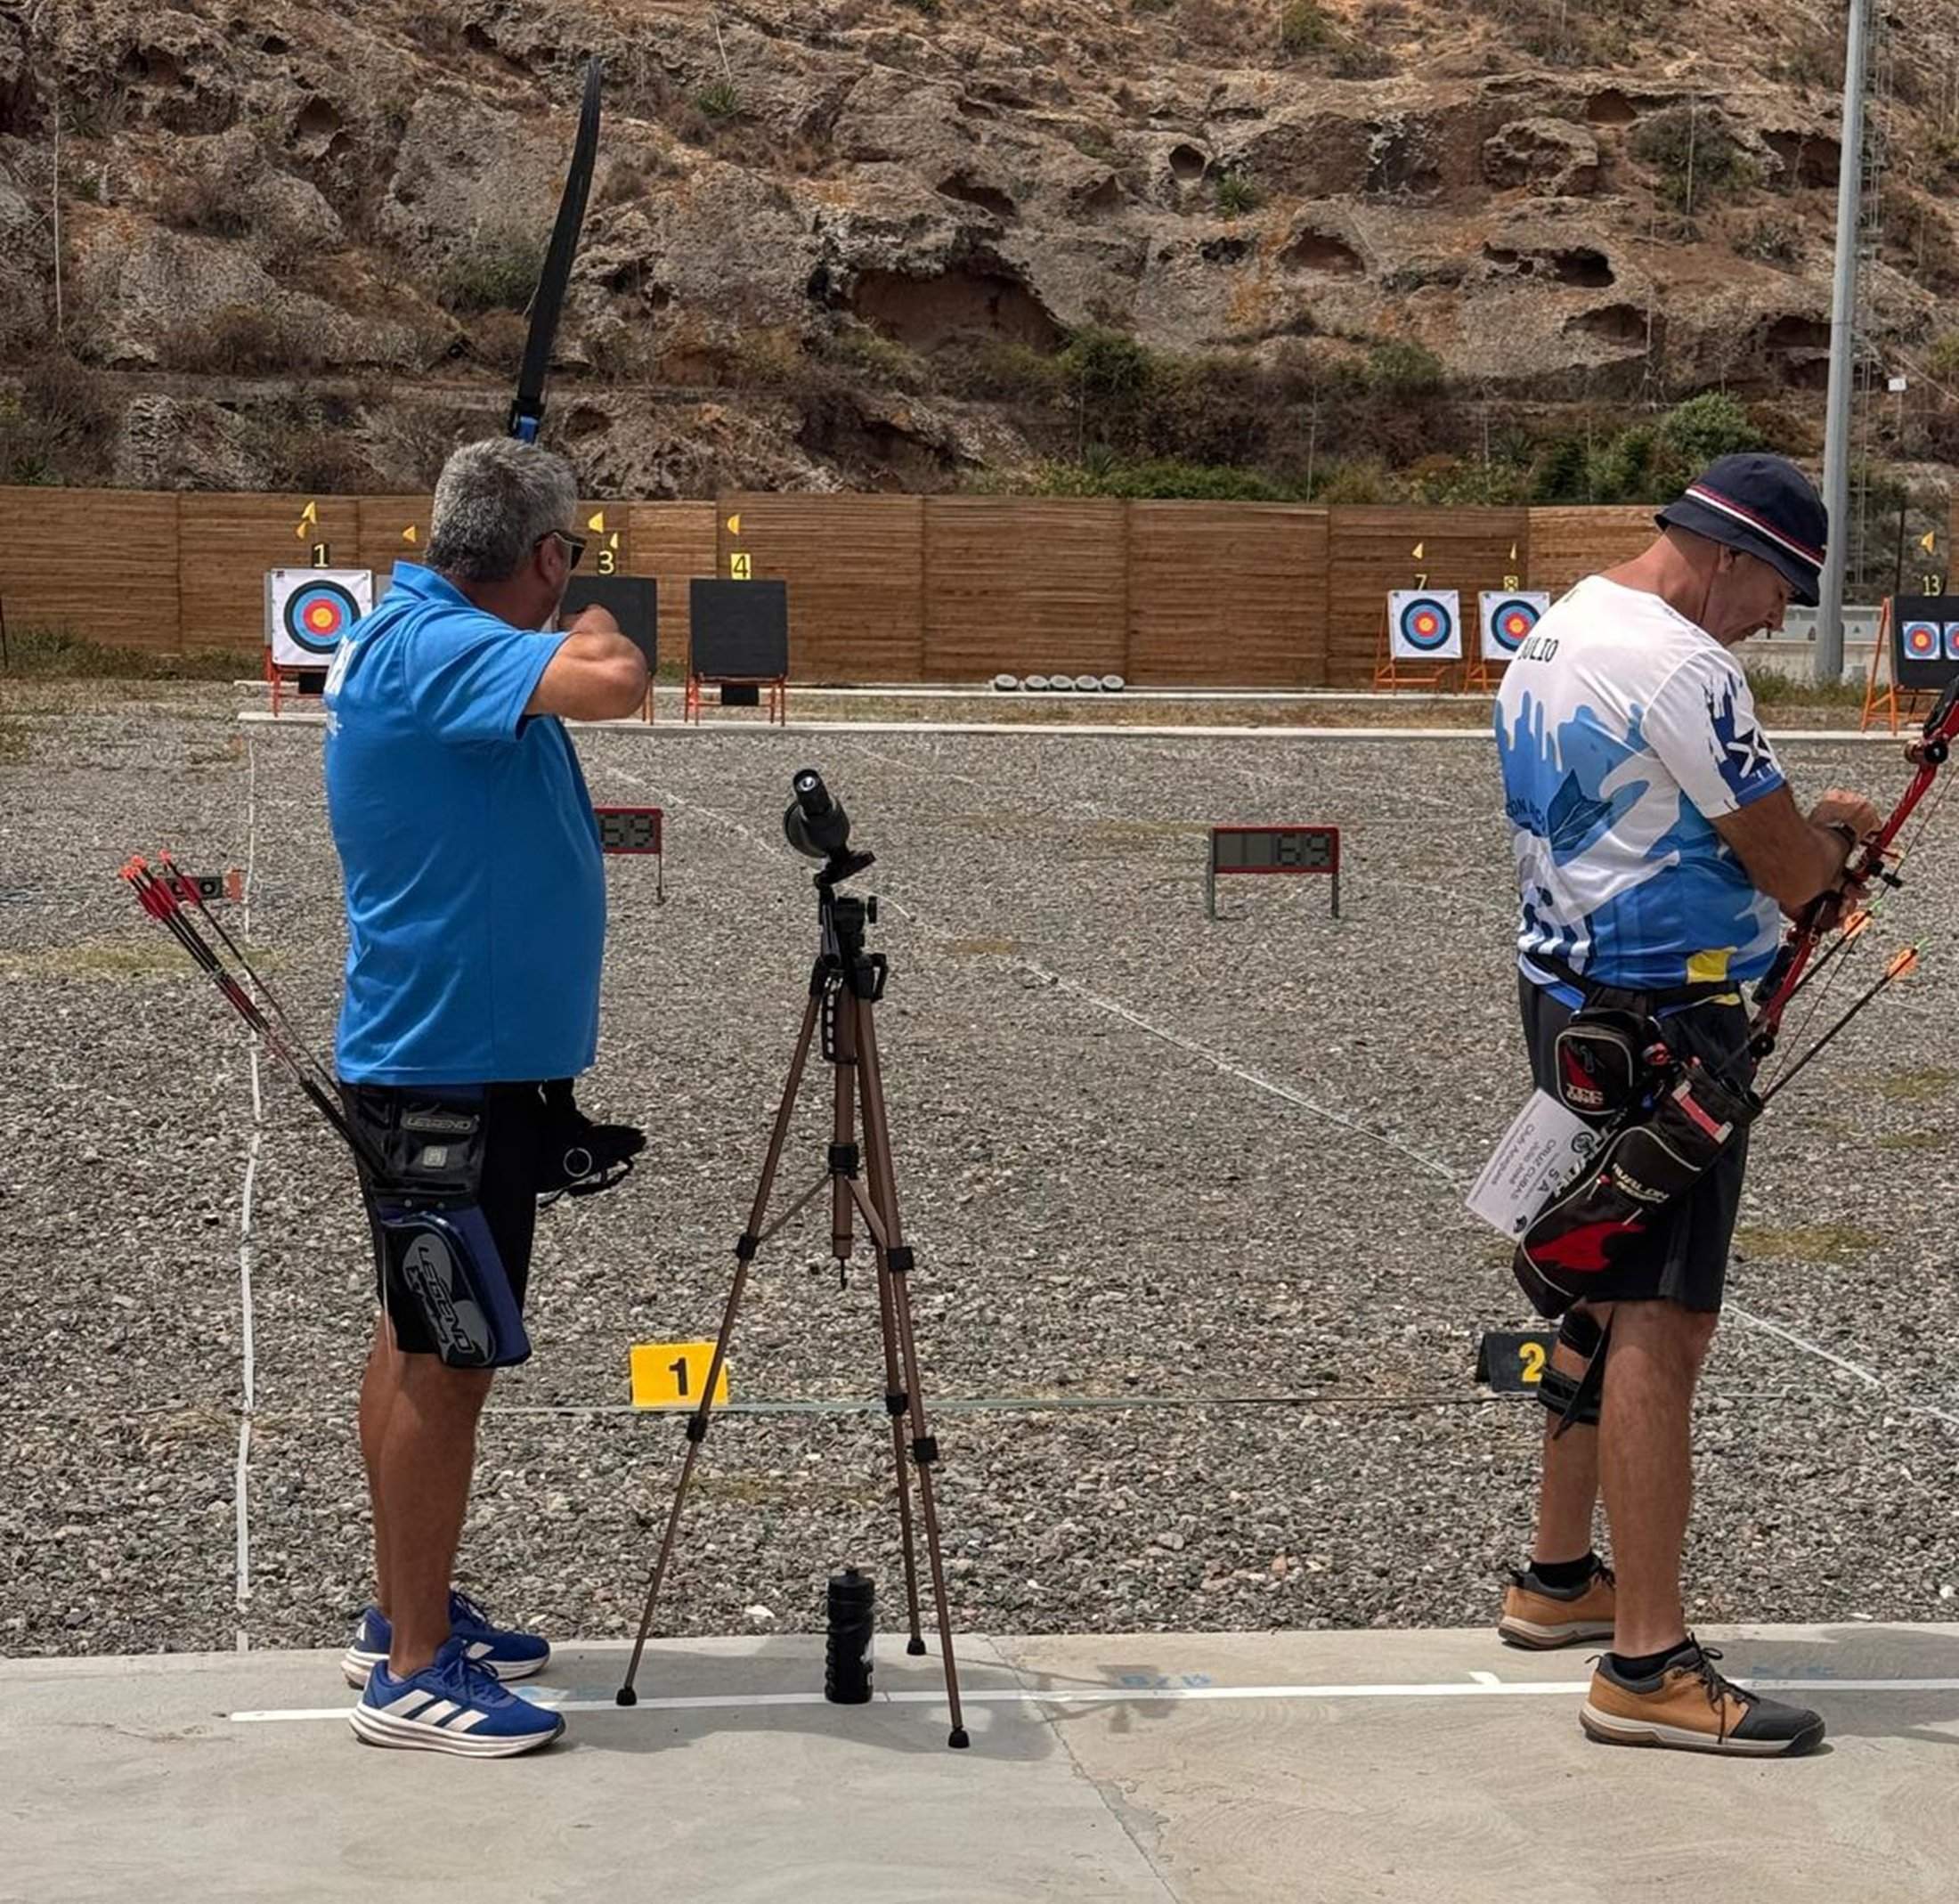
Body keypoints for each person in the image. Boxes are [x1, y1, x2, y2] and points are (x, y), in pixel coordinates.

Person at [1492, 453, 1879, 1756]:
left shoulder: (1563, 626)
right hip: (1668, 1022)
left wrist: (1801, 844)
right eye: (1783, 588)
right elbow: (1786, 869)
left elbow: (1653, 819)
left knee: (1592, 1277)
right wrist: (1829, 852)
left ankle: (1560, 1581)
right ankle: (1646, 1660)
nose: (1781, 619)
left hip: (1568, 999)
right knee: (1662, 1320)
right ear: (1725, 557)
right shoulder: (1685, 666)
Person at [323, 436, 649, 1756]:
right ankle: (414, 1666)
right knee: (447, 1355)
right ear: (545, 558)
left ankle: (404, 1604)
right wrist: (596, 608)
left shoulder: (418, 633)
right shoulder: (441, 644)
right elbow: (613, 677)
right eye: (569, 561)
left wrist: (554, 572)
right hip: (443, 1071)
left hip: (450, 1059)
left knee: (416, 1333)